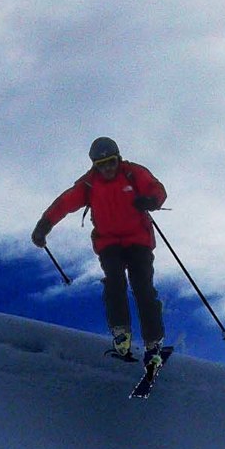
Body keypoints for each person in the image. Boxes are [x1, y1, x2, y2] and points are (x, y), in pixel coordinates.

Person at [31, 137, 167, 364]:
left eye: (111, 162)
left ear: (118, 159)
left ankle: (153, 340)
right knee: (114, 282)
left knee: (143, 287)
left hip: (138, 239)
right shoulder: (89, 184)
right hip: (109, 242)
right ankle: (121, 332)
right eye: (101, 164)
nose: (107, 168)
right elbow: (64, 203)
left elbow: (156, 188)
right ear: (94, 165)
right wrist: (44, 226)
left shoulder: (132, 173)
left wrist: (151, 200)